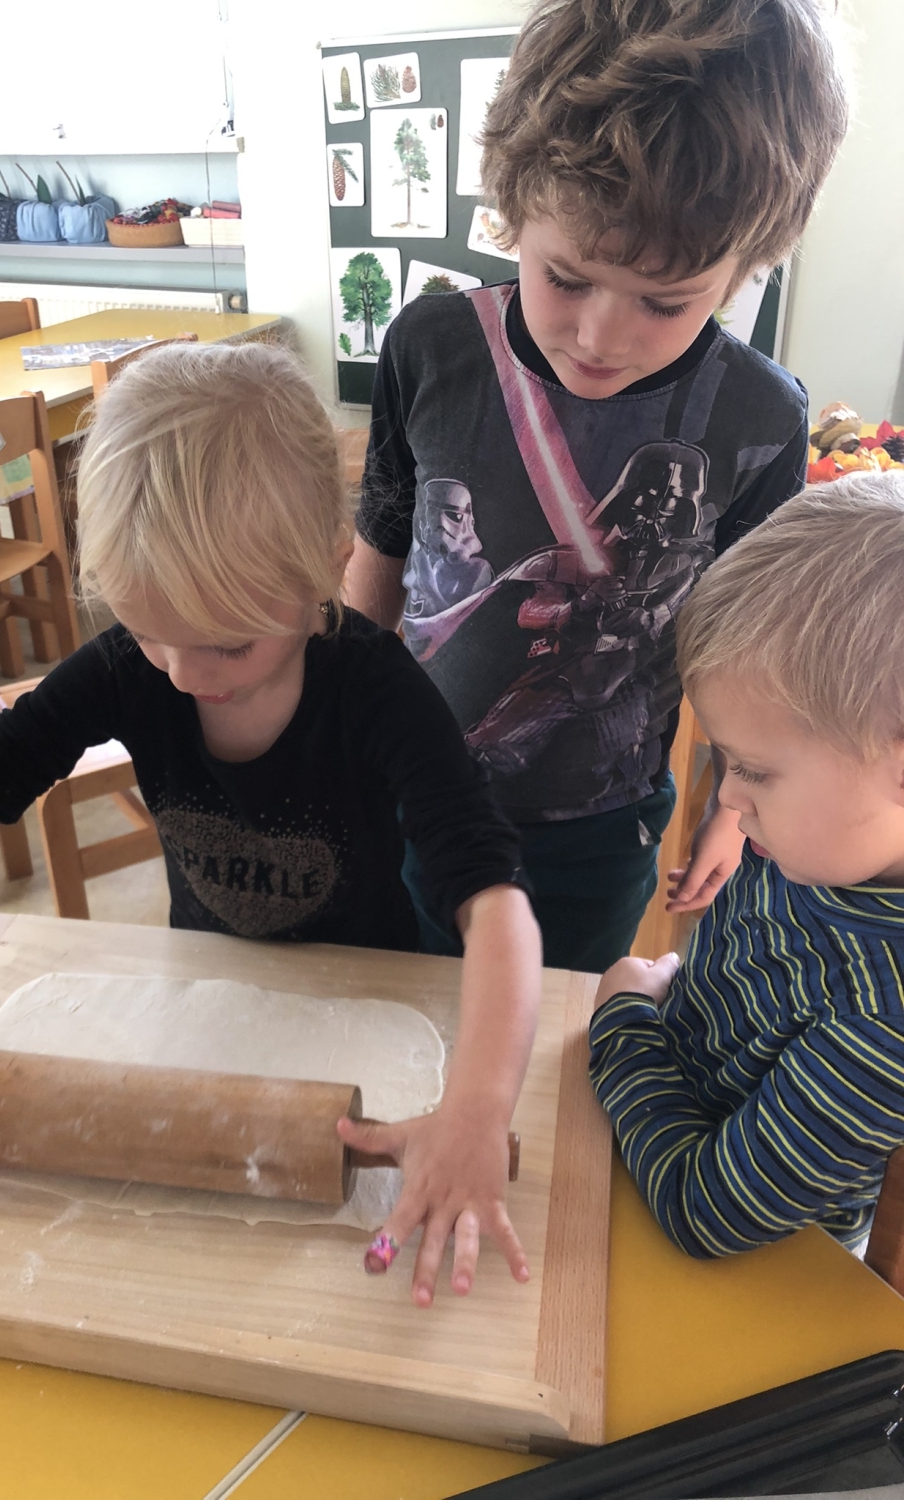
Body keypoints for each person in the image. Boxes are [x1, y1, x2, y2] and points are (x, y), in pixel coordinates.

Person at [0, 341, 541, 1308]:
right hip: (208, 1006)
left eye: (227, 644)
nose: (182, 671)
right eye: (148, 630)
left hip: (363, 1016)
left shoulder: (379, 693)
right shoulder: (134, 667)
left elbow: (495, 906)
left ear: (326, 571)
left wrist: (476, 1107)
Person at [345, 0, 848, 971]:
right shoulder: (431, 347)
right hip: (415, 787)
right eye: (566, 277)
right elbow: (381, 542)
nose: (599, 337)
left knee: (560, 1031)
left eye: (665, 300)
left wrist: (733, 803)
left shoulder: (761, 417)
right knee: (409, 1004)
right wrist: (336, 732)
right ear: (515, 206)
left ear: (745, 266)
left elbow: (753, 651)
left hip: (600, 823)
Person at [589, 474, 904, 1255]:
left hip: (747, 1272)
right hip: (645, 1130)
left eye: (754, 772)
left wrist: (622, 1022)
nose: (726, 797)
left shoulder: (881, 1020)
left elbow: (706, 1212)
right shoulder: (812, 850)